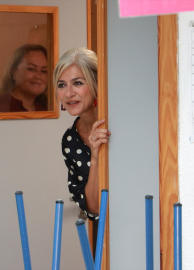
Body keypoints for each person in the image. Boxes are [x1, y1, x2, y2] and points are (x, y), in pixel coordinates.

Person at [53, 48, 111, 221]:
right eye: (62, 85)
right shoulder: (70, 140)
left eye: (77, 83)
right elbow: (94, 208)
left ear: (96, 83)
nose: (69, 93)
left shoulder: (117, 122)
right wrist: (95, 155)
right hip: (106, 231)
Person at [0, 44, 48, 112]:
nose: (38, 76)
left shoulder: (45, 107)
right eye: (31, 69)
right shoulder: (1, 106)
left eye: (44, 71)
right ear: (14, 73)